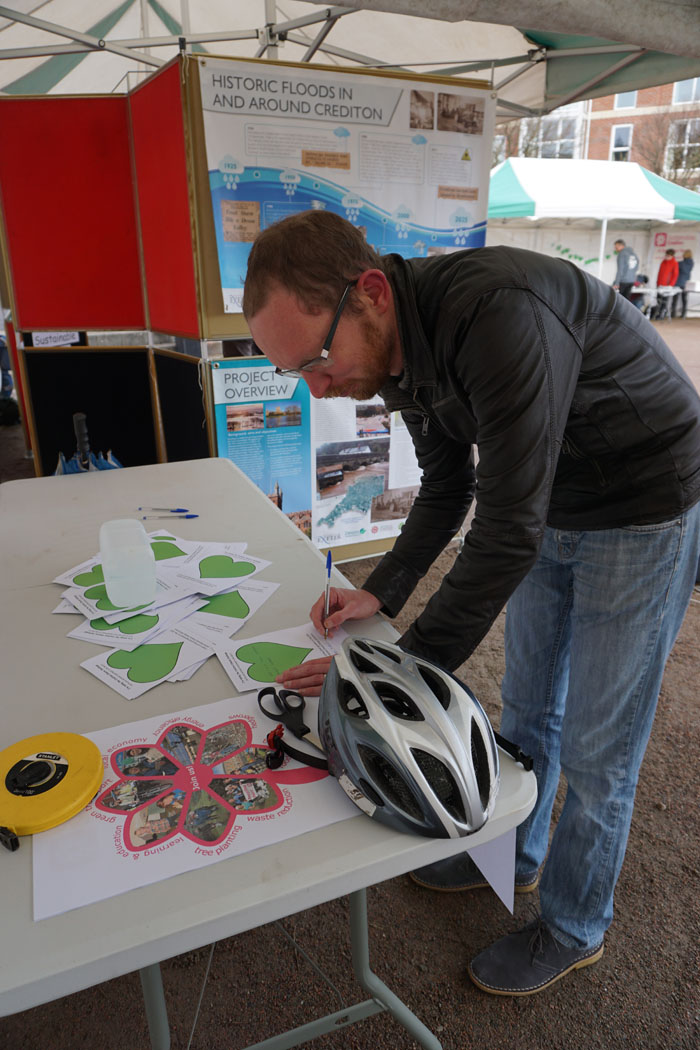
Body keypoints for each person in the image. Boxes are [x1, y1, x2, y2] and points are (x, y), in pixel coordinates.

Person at [242, 210, 700, 997]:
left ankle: (573, 924)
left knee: (599, 745)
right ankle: (515, 858)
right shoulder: (395, 352)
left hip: (640, 502)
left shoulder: (500, 312)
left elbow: (505, 528)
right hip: (553, 500)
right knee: (525, 707)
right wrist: (380, 591)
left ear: (372, 292)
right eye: (297, 374)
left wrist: (391, 676)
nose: (317, 388)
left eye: (316, 360)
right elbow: (451, 486)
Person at [654, 249, 679, 319]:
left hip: (667, 286)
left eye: (668, 255)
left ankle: (662, 314)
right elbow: (660, 273)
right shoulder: (663, 262)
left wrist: (671, 285)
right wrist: (657, 282)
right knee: (658, 299)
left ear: (672, 256)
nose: (666, 256)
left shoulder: (674, 263)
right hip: (660, 284)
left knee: (664, 301)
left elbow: (675, 275)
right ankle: (658, 312)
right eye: (666, 255)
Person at [672, 249, 694, 318]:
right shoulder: (691, 263)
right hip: (686, 283)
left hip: (678, 282)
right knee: (684, 299)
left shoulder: (680, 264)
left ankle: (673, 313)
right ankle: (683, 314)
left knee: (675, 299)